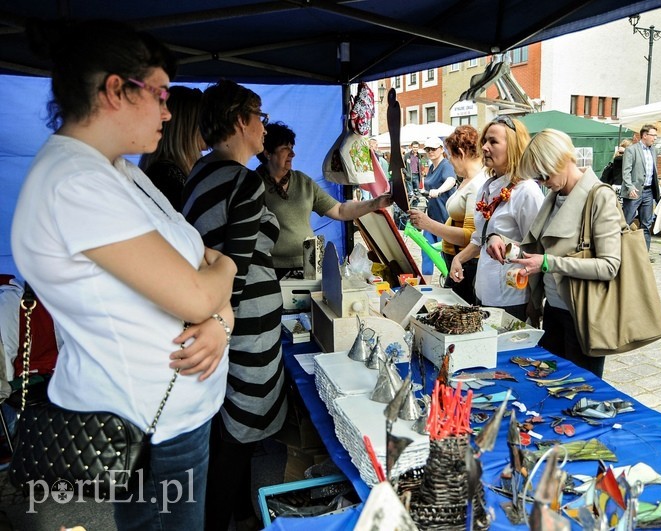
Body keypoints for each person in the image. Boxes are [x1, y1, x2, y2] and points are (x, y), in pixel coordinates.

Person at [10, 20, 236, 530]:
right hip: (145, 432)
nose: (167, 109)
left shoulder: (121, 171)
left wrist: (220, 317)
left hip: (176, 419)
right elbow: (203, 283)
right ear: (115, 90)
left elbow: (203, 263)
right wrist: (222, 285)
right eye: (159, 93)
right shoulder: (74, 182)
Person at [179, 80, 283, 531]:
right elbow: (233, 269)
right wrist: (224, 324)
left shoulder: (198, 174)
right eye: (259, 116)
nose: (264, 126)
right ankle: (221, 521)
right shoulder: (243, 180)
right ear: (240, 120)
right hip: (243, 326)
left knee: (228, 429)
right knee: (240, 435)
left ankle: (240, 513)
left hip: (218, 320)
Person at [510, 129, 622, 378]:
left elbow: (609, 266)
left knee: (580, 393)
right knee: (551, 386)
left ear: (560, 160)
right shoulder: (554, 195)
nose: (541, 181)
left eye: (543, 174)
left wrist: (549, 263)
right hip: (553, 310)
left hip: (582, 315)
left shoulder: (599, 195)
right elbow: (541, 248)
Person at [255, 121, 392, 279]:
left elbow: (340, 211)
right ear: (267, 153)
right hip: (267, 268)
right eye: (285, 149)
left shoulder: (302, 181)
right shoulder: (253, 184)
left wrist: (376, 203)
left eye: (292, 148)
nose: (292, 154)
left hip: (308, 264)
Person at [450, 116, 544, 321]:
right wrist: (459, 258)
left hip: (513, 298)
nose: (484, 147)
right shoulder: (486, 187)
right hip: (484, 292)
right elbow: (480, 238)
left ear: (513, 146)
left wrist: (535, 304)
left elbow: (537, 248)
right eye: (484, 141)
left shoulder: (527, 191)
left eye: (493, 142)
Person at [408, 126, 488, 303]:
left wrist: (428, 224)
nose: (449, 161)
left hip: (468, 265)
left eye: (450, 155)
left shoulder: (476, 185)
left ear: (461, 153)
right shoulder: (468, 180)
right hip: (459, 261)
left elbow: (469, 237)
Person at [138, 85, 205, 209]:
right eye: (204, 121)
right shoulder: (166, 176)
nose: (210, 128)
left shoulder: (173, 172)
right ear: (187, 126)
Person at [417, 136, 457, 277]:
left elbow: (451, 180)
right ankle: (426, 286)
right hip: (432, 216)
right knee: (426, 249)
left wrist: (439, 191)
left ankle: (450, 280)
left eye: (433, 148)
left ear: (441, 149)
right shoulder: (432, 167)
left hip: (444, 218)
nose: (430, 152)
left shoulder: (446, 165)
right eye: (428, 149)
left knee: (446, 252)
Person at [621, 124, 660, 254]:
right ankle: (622, 252)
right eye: (653, 135)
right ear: (644, 135)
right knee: (626, 222)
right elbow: (626, 171)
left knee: (646, 224)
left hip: (649, 191)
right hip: (634, 191)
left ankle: (644, 255)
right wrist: (630, 187)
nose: (655, 138)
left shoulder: (654, 150)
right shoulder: (631, 150)